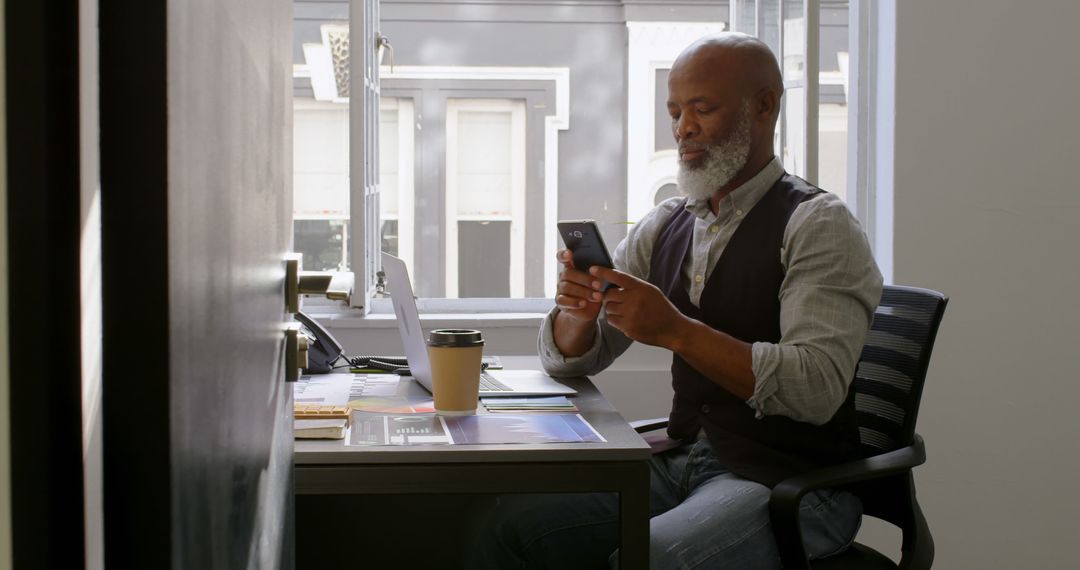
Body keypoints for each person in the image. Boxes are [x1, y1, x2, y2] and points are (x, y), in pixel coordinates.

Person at [473, 32, 883, 569]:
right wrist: (578, 313)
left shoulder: (818, 224)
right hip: (686, 457)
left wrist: (676, 330)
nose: (683, 128)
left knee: (649, 559)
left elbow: (815, 388)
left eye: (702, 109)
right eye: (675, 111)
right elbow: (573, 360)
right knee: (506, 527)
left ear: (765, 106)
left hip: (794, 481)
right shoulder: (666, 222)